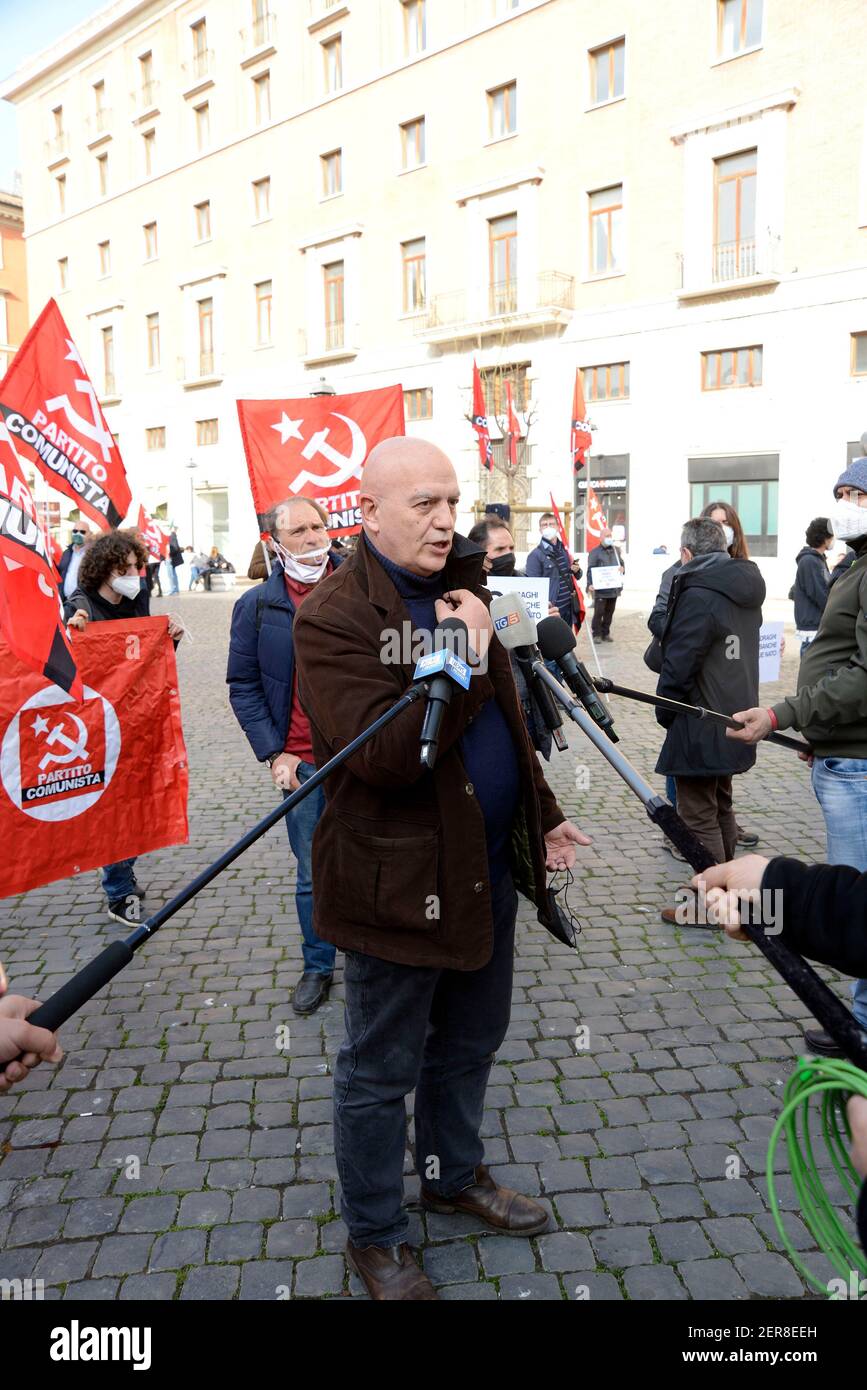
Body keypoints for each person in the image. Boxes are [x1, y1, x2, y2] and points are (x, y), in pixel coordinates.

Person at [293, 436, 590, 1301]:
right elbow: (388, 755)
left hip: (484, 869)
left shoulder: (469, 592)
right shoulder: (336, 615)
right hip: (394, 885)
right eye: (422, 503)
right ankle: (375, 1235)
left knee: (468, 1043)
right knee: (380, 1068)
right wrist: (457, 649)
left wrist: (544, 812)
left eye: (451, 502)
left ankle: (452, 1177)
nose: (443, 519)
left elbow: (507, 715)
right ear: (369, 511)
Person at [727, 456, 867, 1056]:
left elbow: (863, 676)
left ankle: (860, 1030)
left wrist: (787, 714)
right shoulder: (854, 564)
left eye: (856, 492)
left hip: (856, 765)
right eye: (841, 491)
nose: (845, 501)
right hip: (843, 753)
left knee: (855, 892)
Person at [227, 498, 341, 1016]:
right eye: (299, 530)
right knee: (313, 872)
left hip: (367, 755)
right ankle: (318, 965)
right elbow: (243, 685)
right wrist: (276, 753)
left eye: (319, 526)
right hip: (303, 766)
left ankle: (376, 960)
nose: (314, 537)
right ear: (275, 542)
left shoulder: (363, 587)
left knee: (379, 858)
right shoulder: (256, 605)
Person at [64, 529, 184, 925]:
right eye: (125, 568)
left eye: (137, 566)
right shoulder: (85, 603)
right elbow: (73, 618)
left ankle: (118, 865)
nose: (134, 574)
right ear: (104, 569)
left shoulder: (137, 601)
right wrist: (76, 622)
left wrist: (170, 640)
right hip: (96, 726)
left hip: (137, 721)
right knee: (114, 808)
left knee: (136, 802)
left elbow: (145, 662)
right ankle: (119, 889)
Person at [654, 517, 764, 923]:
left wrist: (666, 709)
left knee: (698, 812)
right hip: (734, 714)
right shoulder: (742, 584)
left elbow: (680, 664)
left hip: (701, 716)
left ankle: (711, 903)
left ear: (686, 554)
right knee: (719, 804)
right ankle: (727, 889)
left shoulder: (698, 593)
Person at [469, 516, 555, 760]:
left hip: (528, 699)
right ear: (481, 553)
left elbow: (540, 646)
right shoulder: (467, 591)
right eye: (499, 549)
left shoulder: (525, 583)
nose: (508, 555)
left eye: (511, 548)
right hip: (491, 703)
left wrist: (547, 621)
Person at [526, 512, 582, 628]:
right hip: (552, 611)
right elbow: (532, 587)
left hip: (568, 607)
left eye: (551, 524)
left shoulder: (564, 550)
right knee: (555, 644)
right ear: (540, 530)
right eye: (544, 525)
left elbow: (575, 576)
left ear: (557, 527)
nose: (548, 527)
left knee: (568, 643)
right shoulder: (535, 555)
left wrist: (577, 571)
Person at [793, 518, 833, 654]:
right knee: (810, 670)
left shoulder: (817, 559)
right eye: (831, 536)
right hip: (812, 623)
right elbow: (819, 593)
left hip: (816, 622)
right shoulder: (810, 560)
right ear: (824, 538)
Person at [586, 527, 624, 642]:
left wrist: (622, 569)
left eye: (610, 536)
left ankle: (605, 633)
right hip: (601, 589)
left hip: (614, 588)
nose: (609, 538)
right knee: (599, 612)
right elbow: (590, 570)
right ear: (601, 537)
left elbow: (621, 564)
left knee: (609, 612)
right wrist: (589, 584)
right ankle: (596, 634)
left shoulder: (616, 551)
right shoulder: (595, 552)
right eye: (607, 536)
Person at [58, 520, 91, 600]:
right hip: (65, 601)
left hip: (84, 601)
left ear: (89, 534)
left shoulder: (92, 554)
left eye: (82, 532)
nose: (78, 534)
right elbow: (61, 573)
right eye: (75, 531)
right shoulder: (67, 553)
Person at [162, 526, 183, 596]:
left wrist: (170, 555)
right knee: (173, 574)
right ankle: (175, 589)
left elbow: (174, 548)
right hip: (169, 558)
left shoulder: (171, 537)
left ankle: (173, 589)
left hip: (169, 558)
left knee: (171, 575)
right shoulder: (172, 537)